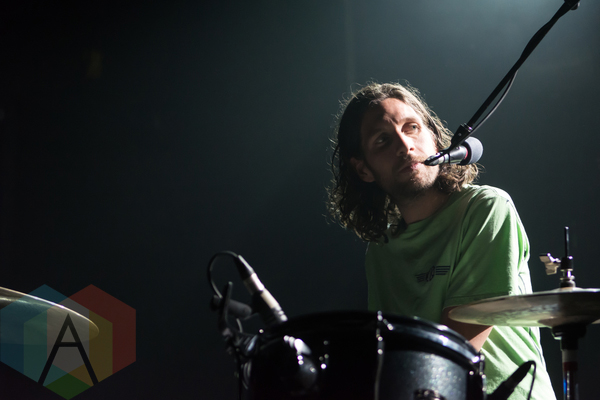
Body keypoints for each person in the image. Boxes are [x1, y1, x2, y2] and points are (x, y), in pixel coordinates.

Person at [327, 82, 556, 400]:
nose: (405, 145)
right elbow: (391, 354)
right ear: (363, 169)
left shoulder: (486, 208)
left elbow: (453, 352)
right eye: (382, 140)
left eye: (412, 127)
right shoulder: (380, 252)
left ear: (434, 137)